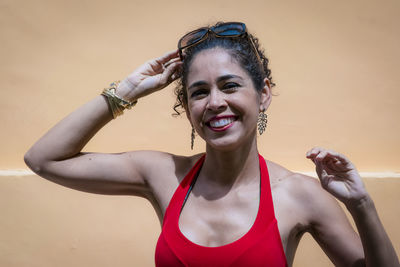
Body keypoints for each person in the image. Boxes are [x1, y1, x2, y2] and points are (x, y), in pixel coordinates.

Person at [24, 22, 399, 267]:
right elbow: (44, 159)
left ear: (263, 94)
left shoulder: (300, 195)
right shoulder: (163, 176)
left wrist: (361, 205)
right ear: (187, 108)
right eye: (199, 92)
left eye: (230, 85)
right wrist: (125, 92)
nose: (215, 102)